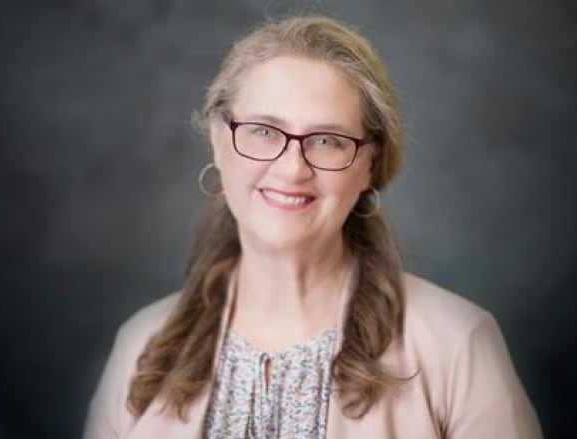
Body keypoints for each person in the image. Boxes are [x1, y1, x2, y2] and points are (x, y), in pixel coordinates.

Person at [82, 15, 542, 439]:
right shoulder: (141, 345)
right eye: (263, 130)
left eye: (327, 140)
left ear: (369, 163)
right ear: (219, 140)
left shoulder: (459, 344)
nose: (291, 169)